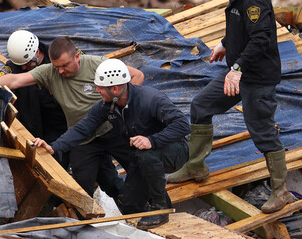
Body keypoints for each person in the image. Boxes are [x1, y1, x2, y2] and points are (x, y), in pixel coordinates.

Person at [168, 0, 294, 213]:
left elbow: (261, 38)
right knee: (201, 106)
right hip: (240, 70)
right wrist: (225, 44)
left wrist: (236, 68)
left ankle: (281, 191)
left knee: (261, 131)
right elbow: (242, 29)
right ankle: (195, 166)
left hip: (257, 77)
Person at [33, 59, 189, 230]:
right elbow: (83, 128)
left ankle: (161, 209)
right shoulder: (109, 105)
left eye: (100, 87)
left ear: (115, 89)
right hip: (144, 155)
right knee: (130, 207)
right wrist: (54, 146)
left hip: (175, 151)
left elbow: (183, 125)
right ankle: (160, 208)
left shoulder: (150, 99)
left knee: (146, 155)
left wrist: (152, 140)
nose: (97, 90)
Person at [0, 36, 144, 200]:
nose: (60, 71)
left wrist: (118, 106)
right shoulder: (49, 72)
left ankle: (154, 206)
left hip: (112, 129)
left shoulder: (97, 64)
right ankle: (85, 221)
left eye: (65, 65)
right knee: (82, 188)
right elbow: (15, 79)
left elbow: (137, 75)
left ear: (76, 57)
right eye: (56, 66)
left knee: (139, 167)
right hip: (82, 138)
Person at [0, 30, 66, 144]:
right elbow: (3, 77)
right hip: (33, 124)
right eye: (21, 65)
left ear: (37, 52)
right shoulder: (15, 66)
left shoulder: (57, 59)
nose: (24, 68)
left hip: (59, 121)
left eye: (27, 63)